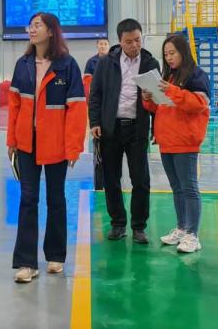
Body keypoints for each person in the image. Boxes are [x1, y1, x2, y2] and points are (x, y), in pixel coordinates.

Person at [7, 13, 87, 283]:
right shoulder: (23, 64)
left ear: (51, 31)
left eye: (37, 25)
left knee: (56, 199)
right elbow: (14, 105)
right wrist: (11, 140)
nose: (32, 29)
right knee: (28, 199)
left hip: (56, 144)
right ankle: (26, 262)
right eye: (30, 25)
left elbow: (77, 108)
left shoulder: (67, 65)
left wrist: (73, 147)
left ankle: (56, 256)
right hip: (26, 143)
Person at [88, 18, 160, 243]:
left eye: (137, 40)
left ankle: (139, 226)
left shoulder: (150, 63)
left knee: (141, 179)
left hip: (138, 128)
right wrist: (95, 122)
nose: (134, 45)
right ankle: (118, 223)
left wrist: (156, 126)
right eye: (129, 41)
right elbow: (96, 94)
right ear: (120, 41)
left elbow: (159, 99)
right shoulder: (106, 63)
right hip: (111, 128)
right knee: (111, 178)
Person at [144, 34, 211, 254]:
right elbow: (160, 107)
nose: (169, 58)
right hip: (167, 141)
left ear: (183, 52)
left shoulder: (196, 76)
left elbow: (199, 104)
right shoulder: (169, 77)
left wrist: (171, 91)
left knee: (189, 188)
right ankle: (182, 228)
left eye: (172, 53)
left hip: (185, 141)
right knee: (177, 188)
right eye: (166, 54)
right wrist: (149, 98)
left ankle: (193, 234)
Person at [83, 38, 111, 191]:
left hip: (111, 108)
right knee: (98, 148)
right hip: (97, 108)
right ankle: (99, 184)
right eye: (100, 44)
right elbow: (88, 85)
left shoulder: (114, 60)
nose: (103, 46)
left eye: (105, 44)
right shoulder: (91, 62)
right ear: (97, 46)